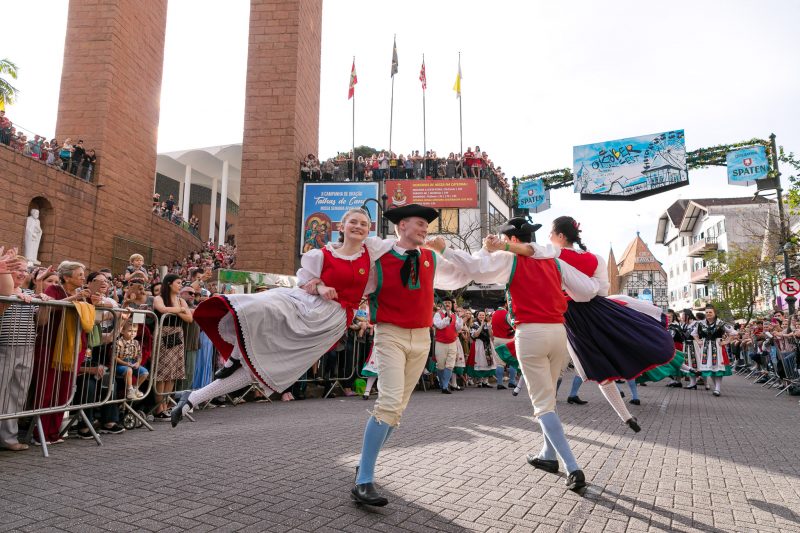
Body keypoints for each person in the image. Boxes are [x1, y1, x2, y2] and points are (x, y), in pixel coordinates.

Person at [428, 218, 603, 492]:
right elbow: (588, 291)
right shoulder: (554, 261)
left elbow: (476, 269)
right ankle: (547, 455)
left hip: (531, 333)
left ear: (510, 240)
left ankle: (573, 467)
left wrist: (445, 249)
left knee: (542, 403)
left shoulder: (510, 259)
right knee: (550, 397)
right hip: (559, 332)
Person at [173, 208, 379, 426]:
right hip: (306, 305)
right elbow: (305, 282)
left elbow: (400, 247)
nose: (358, 227)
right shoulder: (322, 254)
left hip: (330, 322)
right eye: (353, 222)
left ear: (369, 230)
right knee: (260, 306)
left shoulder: (371, 256)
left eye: (364, 224)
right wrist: (319, 286)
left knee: (266, 369)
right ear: (341, 227)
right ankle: (234, 357)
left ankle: (193, 397)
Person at [496, 216, 675, 432]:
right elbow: (602, 291)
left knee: (598, 368)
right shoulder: (596, 258)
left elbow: (529, 251)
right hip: (599, 310)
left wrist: (503, 245)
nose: (549, 237)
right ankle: (626, 416)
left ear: (560, 236)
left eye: (552, 233)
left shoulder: (553, 253)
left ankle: (624, 416)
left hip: (572, 317)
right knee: (623, 347)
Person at [351, 204, 474, 506]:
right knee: (389, 403)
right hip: (390, 334)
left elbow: (463, 274)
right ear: (402, 225)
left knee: (397, 409)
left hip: (421, 338)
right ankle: (363, 480)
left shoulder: (431, 257)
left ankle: (364, 465)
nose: (425, 229)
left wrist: (453, 251)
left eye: (426, 225)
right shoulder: (378, 258)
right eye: (420, 223)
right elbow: (353, 287)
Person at [152, 274, 193, 420]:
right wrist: (180, 310)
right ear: (169, 283)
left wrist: (179, 310)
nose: (180, 285)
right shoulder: (159, 297)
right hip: (163, 335)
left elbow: (189, 318)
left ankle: (166, 405)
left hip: (177, 335)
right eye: (178, 282)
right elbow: (162, 309)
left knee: (173, 373)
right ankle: (159, 409)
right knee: (162, 373)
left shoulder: (181, 300)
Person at [694, 304, 736, 396]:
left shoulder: (720, 323)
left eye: (710, 312)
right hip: (706, 348)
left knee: (717, 368)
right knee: (710, 368)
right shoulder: (700, 323)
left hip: (717, 347)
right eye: (707, 312)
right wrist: (698, 341)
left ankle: (717, 388)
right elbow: (694, 333)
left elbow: (733, 333)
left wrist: (726, 342)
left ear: (714, 313)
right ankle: (716, 387)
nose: (708, 314)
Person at [432, 296, 463, 394]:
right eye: (445, 303)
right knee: (440, 365)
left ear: (451, 305)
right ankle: (443, 384)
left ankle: (445, 386)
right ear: (442, 304)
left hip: (452, 343)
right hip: (440, 343)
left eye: (449, 303)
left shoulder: (455, 315)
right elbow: (439, 325)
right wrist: (447, 318)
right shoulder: (438, 314)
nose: (447, 304)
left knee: (450, 365)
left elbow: (458, 328)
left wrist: (460, 318)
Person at [115, 321, 147, 400]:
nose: (133, 333)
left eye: (135, 331)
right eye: (130, 331)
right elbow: (114, 357)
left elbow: (139, 355)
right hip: (120, 364)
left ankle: (135, 388)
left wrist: (138, 363)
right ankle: (129, 390)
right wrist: (125, 363)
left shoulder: (136, 342)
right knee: (129, 370)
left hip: (132, 362)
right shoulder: (118, 342)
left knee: (145, 373)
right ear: (122, 331)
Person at [491, 304, 520, 391]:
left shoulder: (494, 314)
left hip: (497, 339)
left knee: (500, 362)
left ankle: (499, 383)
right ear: (505, 304)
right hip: (507, 339)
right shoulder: (507, 314)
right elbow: (513, 325)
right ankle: (512, 381)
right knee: (512, 360)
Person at [467, 310, 495, 387]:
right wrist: (481, 325)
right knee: (479, 361)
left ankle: (485, 381)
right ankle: (479, 381)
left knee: (487, 362)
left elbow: (491, 336)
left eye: (483, 315)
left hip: (487, 345)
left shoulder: (487, 324)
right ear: (477, 316)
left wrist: (489, 327)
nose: (482, 316)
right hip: (479, 344)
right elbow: (475, 335)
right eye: (480, 315)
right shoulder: (474, 325)